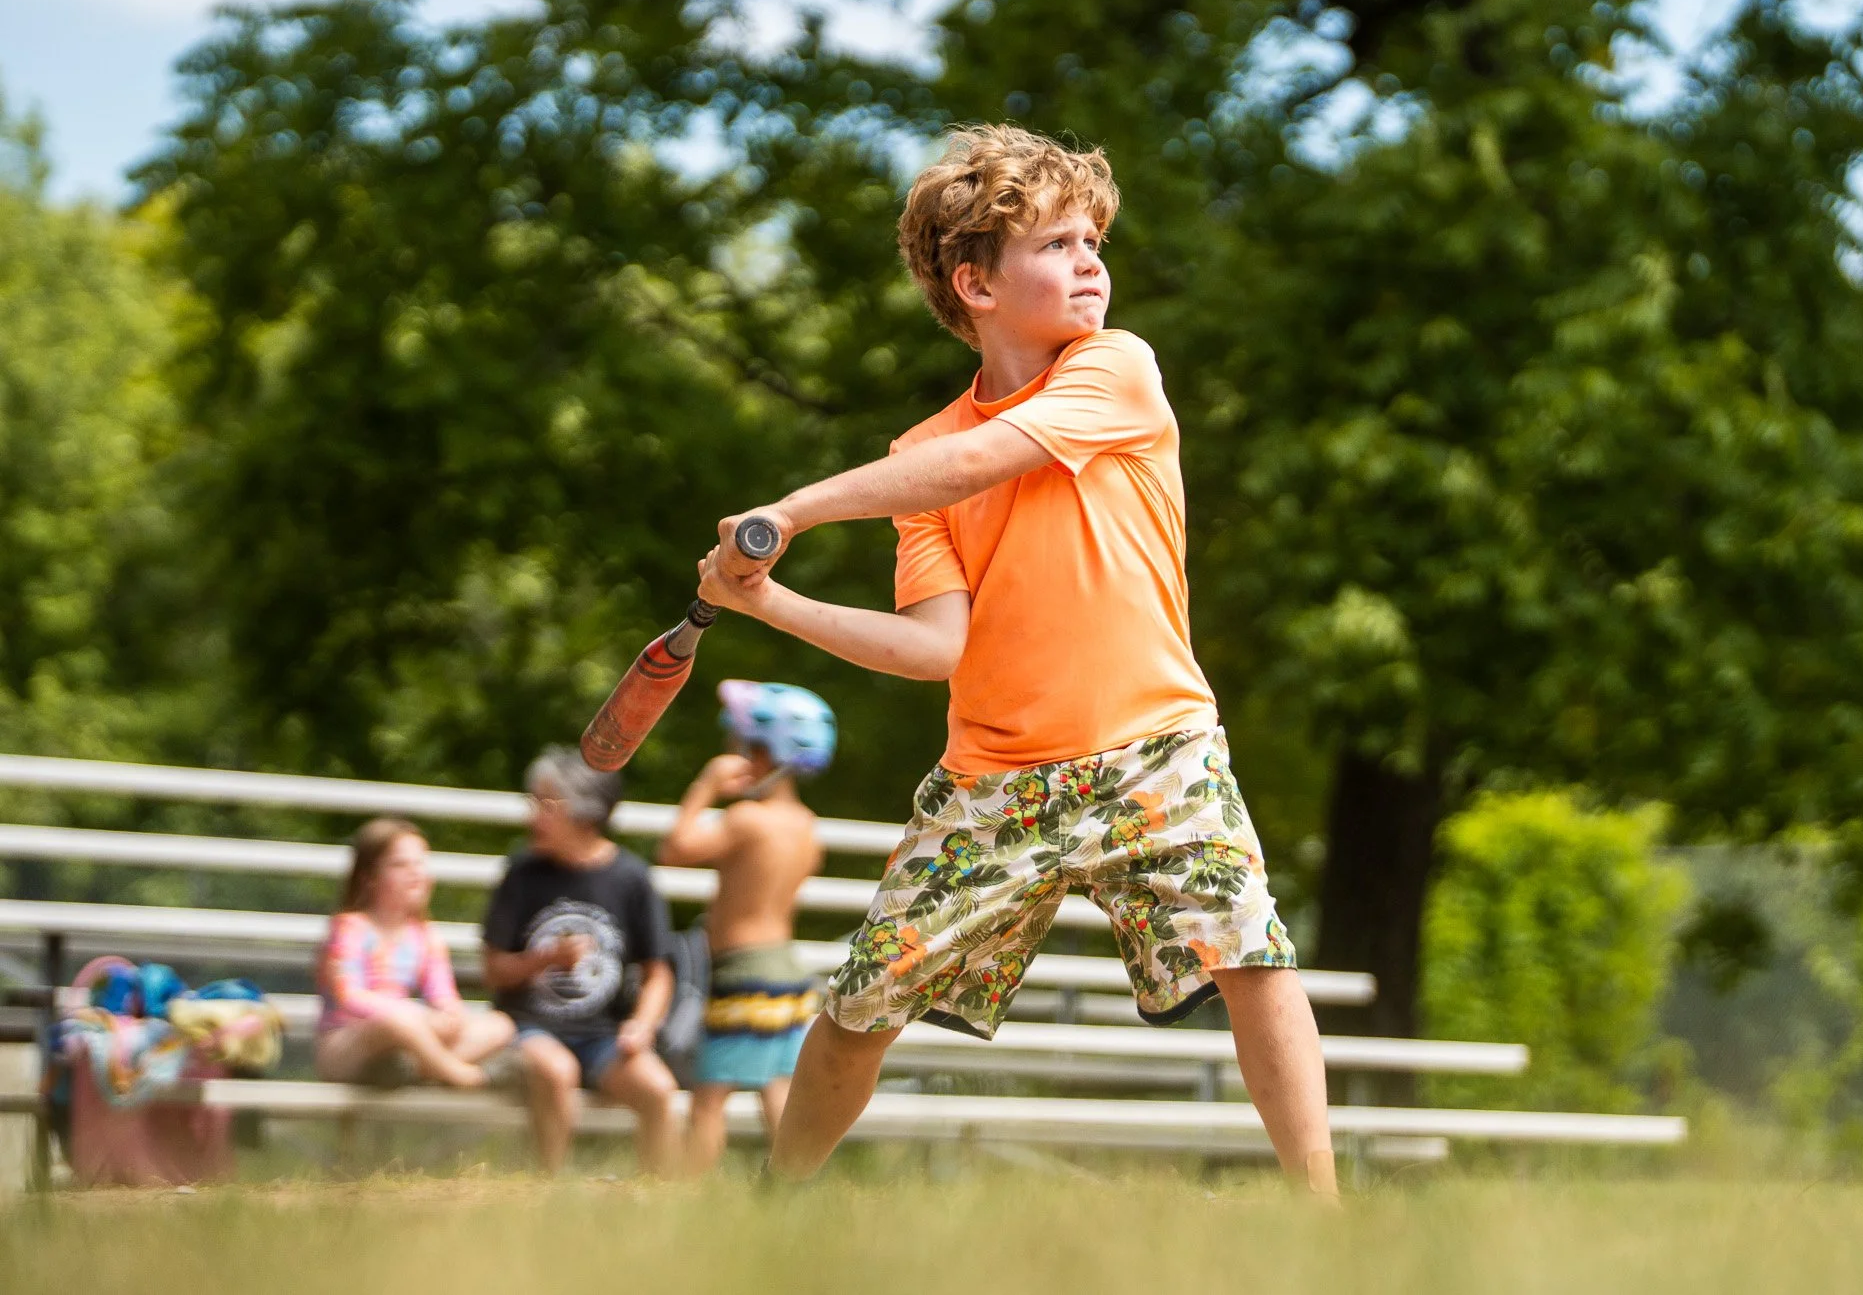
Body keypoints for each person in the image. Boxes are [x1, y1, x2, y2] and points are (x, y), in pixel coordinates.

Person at [695, 124, 1338, 1196]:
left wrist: (793, 510)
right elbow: (934, 646)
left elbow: (980, 459)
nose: (1090, 261)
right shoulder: (913, 457)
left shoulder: (1115, 368)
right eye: (1057, 244)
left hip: (1155, 751)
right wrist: (771, 601)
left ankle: (1325, 1222)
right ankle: (773, 1208)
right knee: (858, 1011)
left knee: (1251, 957)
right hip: (993, 780)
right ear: (974, 284)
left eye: (1094, 239)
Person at [658, 680, 833, 1177]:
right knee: (777, 1083)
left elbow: (675, 850)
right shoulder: (805, 824)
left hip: (742, 970)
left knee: (710, 1095)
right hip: (785, 966)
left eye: (743, 748)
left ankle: (688, 1192)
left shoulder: (747, 820)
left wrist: (706, 788)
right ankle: (794, 1184)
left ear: (765, 754)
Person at [482, 747, 679, 1175]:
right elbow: (493, 969)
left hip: (603, 1035)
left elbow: (658, 973)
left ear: (585, 812)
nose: (532, 815)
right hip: (528, 1027)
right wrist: (545, 959)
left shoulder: (630, 878)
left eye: (545, 804)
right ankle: (550, 1192)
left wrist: (642, 1025)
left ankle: (661, 1201)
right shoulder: (522, 874)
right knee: (557, 1070)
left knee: (659, 1091)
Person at [315, 817, 514, 1088]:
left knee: (500, 1025)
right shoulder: (348, 929)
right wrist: (413, 1014)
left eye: (420, 863)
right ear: (369, 877)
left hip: (406, 1036)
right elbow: (349, 996)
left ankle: (413, 1070)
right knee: (398, 1022)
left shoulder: (425, 936)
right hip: (349, 1043)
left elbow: (444, 996)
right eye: (400, 865)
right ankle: (462, 1075)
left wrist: (449, 1015)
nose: (414, 873)